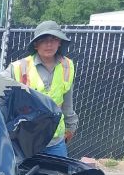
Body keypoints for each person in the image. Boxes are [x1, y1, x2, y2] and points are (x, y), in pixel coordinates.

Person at [7, 20, 79, 157]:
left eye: (54, 39)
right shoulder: (18, 68)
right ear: (36, 44)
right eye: (44, 39)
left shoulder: (67, 66)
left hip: (55, 141)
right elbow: (0, 95)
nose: (49, 44)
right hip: (26, 141)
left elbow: (67, 102)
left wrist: (71, 127)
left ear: (60, 43)